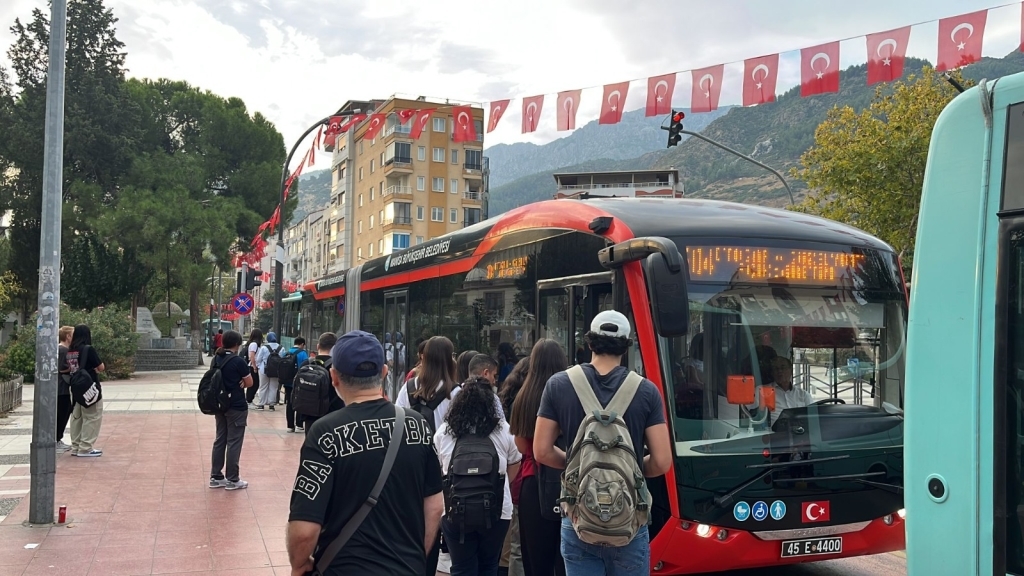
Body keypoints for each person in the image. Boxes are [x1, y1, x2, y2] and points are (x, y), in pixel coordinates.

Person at [287, 330, 444, 575]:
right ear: (384, 372)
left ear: (334, 377)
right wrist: (415, 558)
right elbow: (435, 506)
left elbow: (305, 529)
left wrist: (299, 564)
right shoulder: (417, 425)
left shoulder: (325, 433)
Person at [534, 311, 672, 576]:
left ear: (589, 343)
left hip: (579, 520)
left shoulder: (559, 384)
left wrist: (579, 465)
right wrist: (631, 470)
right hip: (629, 522)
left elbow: (541, 450)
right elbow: (661, 461)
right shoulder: (646, 391)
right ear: (627, 344)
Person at [435, 378, 522, 576]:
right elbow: (515, 464)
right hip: (497, 510)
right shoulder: (503, 429)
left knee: (461, 567)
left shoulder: (445, 432)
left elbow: (440, 468)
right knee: (489, 566)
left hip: (454, 510)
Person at [509, 339, 567, 576]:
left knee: (535, 560)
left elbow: (522, 445)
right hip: (569, 482)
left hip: (534, 482)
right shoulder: (570, 393)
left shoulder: (524, 395)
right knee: (565, 558)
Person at [209, 330, 254, 490]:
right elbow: (249, 382)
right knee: (234, 441)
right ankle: (233, 479)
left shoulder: (216, 358)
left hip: (219, 405)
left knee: (220, 439)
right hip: (236, 406)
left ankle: (216, 476)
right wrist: (241, 382)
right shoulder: (238, 361)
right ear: (237, 343)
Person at [397, 336, 461, 433]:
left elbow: (397, 419)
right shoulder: (456, 392)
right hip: (440, 447)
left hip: (412, 446)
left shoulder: (408, 387)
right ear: (448, 359)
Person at [67, 324, 106, 457]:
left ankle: (76, 446)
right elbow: (100, 367)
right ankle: (86, 447)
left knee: (77, 416)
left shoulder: (70, 350)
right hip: (89, 387)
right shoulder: (88, 349)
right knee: (92, 415)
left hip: (75, 386)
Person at [296, 332, 345, 433]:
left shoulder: (307, 363)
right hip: (332, 413)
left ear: (318, 346)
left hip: (310, 413)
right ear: (335, 348)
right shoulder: (337, 366)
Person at [766, 356, 813, 423]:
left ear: (791, 370)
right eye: (776, 369)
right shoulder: (762, 391)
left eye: (783, 368)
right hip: (775, 432)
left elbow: (814, 417)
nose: (780, 371)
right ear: (772, 372)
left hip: (800, 431)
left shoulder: (803, 394)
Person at [283, 337, 309, 433]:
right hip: (299, 382)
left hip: (287, 382)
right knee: (300, 402)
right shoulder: (303, 353)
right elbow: (305, 367)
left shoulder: (286, 353)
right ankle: (299, 424)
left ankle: (290, 426)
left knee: (289, 403)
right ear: (302, 344)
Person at [55, 326, 74, 453]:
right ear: (68, 336)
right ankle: (57, 439)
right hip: (62, 388)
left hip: (62, 387)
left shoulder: (62, 349)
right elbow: (62, 368)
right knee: (62, 413)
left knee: (64, 413)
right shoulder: (63, 350)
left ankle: (58, 438)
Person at [255, 331, 283, 410]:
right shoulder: (281, 348)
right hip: (276, 371)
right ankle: (271, 405)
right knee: (273, 387)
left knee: (263, 386)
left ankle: (261, 404)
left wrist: (257, 367)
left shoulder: (264, 347)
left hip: (264, 370)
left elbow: (258, 359)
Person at [245, 329, 264, 405]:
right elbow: (252, 356)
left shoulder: (256, 344)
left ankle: (249, 399)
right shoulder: (254, 344)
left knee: (255, 384)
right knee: (253, 384)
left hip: (255, 366)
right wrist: (254, 367)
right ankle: (249, 400)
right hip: (253, 367)